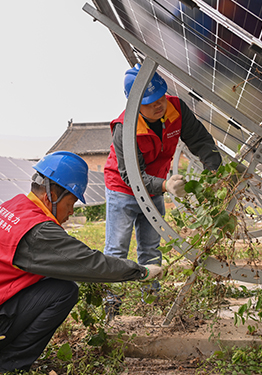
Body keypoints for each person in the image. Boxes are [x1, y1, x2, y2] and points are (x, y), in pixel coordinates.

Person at [0, 151, 162, 374]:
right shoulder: (37, 230)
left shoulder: (16, 207)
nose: (71, 211)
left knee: (54, 279)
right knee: (64, 291)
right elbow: (89, 264)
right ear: (52, 195)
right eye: (72, 201)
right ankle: (5, 367)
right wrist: (140, 271)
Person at [103, 63, 222, 303]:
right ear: (135, 103)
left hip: (155, 187)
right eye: (150, 102)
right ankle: (111, 303)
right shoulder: (125, 128)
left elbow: (200, 140)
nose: (158, 105)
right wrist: (166, 186)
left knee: (150, 247)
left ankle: (151, 298)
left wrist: (215, 171)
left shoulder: (176, 109)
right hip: (123, 190)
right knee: (117, 249)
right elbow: (131, 176)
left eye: (160, 98)